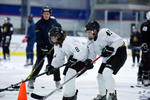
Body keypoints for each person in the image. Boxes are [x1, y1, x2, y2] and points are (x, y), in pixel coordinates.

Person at [46, 27, 94, 100]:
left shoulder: (68, 41)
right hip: (74, 61)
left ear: (58, 36)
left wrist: (74, 59)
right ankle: (72, 95)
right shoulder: (58, 44)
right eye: (51, 37)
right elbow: (59, 58)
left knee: (70, 74)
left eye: (53, 37)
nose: (51, 39)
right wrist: (52, 66)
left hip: (83, 60)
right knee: (66, 76)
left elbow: (81, 52)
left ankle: (69, 96)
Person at [85, 20, 127, 100]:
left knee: (106, 73)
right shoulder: (90, 41)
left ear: (95, 30)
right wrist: (89, 61)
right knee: (100, 76)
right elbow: (92, 54)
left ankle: (112, 95)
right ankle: (102, 95)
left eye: (89, 31)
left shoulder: (104, 32)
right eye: (87, 32)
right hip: (108, 57)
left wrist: (111, 48)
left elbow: (119, 40)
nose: (88, 34)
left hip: (119, 52)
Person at [28, 6, 61, 89]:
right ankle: (31, 81)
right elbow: (38, 37)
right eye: (44, 14)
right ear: (42, 14)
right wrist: (43, 46)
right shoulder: (38, 24)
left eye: (48, 14)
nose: (46, 15)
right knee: (39, 64)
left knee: (54, 64)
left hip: (52, 47)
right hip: (41, 48)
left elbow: (60, 29)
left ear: (50, 14)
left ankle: (57, 82)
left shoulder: (54, 22)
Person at [138, 11, 150, 86]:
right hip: (146, 47)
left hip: (146, 46)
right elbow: (143, 36)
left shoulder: (144, 25)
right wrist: (143, 44)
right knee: (145, 62)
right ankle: (143, 77)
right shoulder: (145, 25)